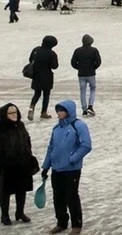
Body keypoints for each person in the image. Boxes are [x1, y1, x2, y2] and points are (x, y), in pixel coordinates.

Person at [41, 100, 92, 234]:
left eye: (61, 110)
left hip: (71, 170)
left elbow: (86, 145)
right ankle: (61, 222)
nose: (59, 113)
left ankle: (76, 224)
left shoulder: (78, 126)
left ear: (69, 111)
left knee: (71, 196)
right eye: (58, 110)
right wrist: (46, 166)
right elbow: (51, 148)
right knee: (58, 197)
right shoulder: (57, 129)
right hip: (56, 169)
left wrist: (72, 159)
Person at [0, 103, 36, 226]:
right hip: (7, 165)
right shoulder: (1, 127)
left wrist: (29, 156)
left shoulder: (20, 125)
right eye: (10, 113)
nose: (14, 115)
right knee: (5, 191)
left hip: (22, 163)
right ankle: (4, 215)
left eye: (15, 112)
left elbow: (27, 141)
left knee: (22, 189)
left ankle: (19, 212)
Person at [28, 35, 59, 121]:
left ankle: (32, 107)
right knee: (46, 94)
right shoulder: (52, 54)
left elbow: (30, 60)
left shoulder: (36, 50)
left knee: (37, 93)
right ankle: (43, 112)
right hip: (47, 76)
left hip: (36, 75)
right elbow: (55, 66)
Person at [70, 35, 101, 117]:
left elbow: (73, 62)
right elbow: (98, 61)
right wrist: (93, 67)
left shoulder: (77, 50)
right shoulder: (94, 50)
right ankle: (90, 106)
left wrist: (79, 67)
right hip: (91, 73)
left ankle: (84, 109)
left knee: (82, 91)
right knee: (93, 89)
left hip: (81, 74)